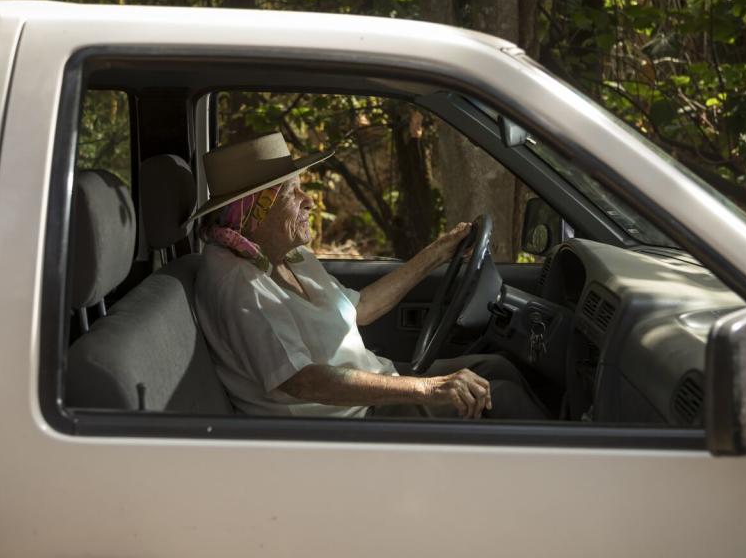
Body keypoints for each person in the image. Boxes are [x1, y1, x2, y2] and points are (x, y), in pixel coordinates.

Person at [192, 132, 546, 420]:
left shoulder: (287, 255)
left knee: (496, 367)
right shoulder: (237, 282)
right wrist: (428, 388)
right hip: (350, 426)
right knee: (502, 399)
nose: (309, 202)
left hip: (375, 389)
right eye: (291, 193)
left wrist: (437, 252)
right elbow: (303, 381)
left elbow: (358, 309)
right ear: (255, 211)